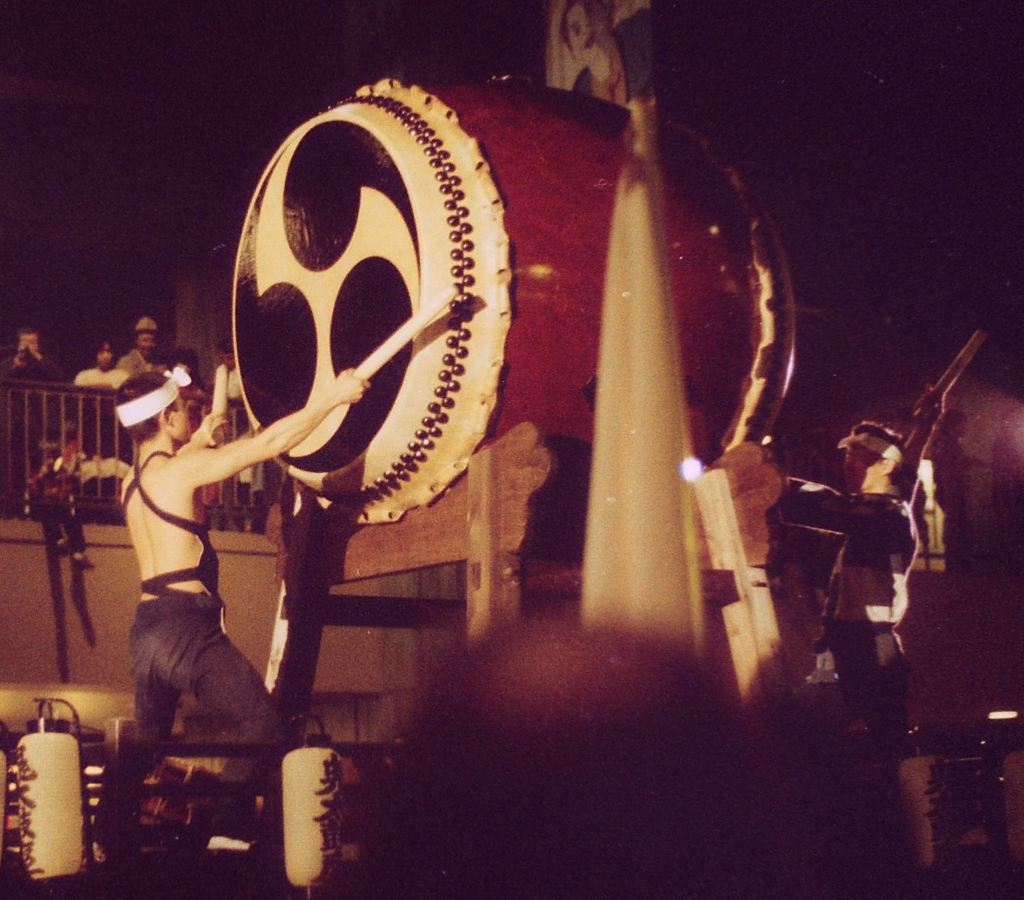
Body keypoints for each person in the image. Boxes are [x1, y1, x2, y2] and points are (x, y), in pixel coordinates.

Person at [115, 363, 369, 849]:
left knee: (148, 753)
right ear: (166, 418)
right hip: (186, 629)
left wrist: (201, 437)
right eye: (183, 410)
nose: (190, 414)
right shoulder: (180, 471)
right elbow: (269, 443)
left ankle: (112, 841)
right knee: (262, 724)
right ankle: (227, 832)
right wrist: (335, 397)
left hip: (146, 633)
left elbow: (176, 464)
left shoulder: (131, 483)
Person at [778, 386, 946, 757]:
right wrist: (924, 425)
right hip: (857, 643)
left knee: (859, 740)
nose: (847, 464)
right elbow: (907, 468)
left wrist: (777, 482)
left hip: (866, 645)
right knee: (870, 738)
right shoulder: (890, 502)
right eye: (847, 456)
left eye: (858, 457)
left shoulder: (882, 513)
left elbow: (827, 505)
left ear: (883, 465)